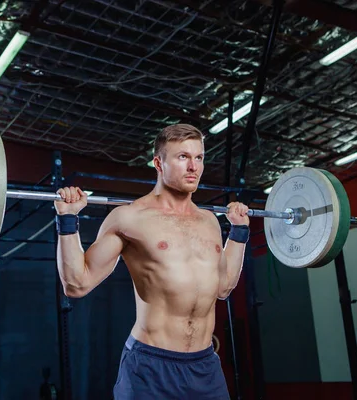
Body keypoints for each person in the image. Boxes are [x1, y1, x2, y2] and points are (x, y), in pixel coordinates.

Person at [54, 123, 250, 399]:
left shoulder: (209, 222)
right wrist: (67, 220)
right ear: (159, 163)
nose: (193, 166)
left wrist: (239, 233)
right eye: (183, 157)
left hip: (205, 367)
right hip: (151, 368)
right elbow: (76, 284)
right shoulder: (130, 218)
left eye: (199, 157)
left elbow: (224, 288)